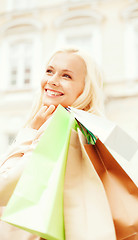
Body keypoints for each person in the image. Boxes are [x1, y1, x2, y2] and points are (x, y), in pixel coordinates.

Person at [0, 48, 106, 240]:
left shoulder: (59, 127)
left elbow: (3, 188)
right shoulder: (94, 130)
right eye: (49, 71)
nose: (52, 80)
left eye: (66, 75)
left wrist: (29, 132)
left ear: (86, 87)